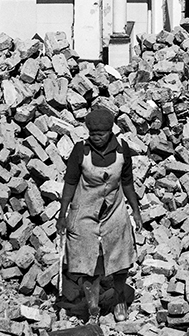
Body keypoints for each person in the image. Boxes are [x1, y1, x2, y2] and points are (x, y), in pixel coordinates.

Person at [57, 104, 143, 322]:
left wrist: (135, 210)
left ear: (111, 131)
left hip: (114, 211)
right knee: (89, 262)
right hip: (84, 211)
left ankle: (120, 299)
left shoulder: (122, 150)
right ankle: (93, 307)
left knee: (119, 258)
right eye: (92, 134)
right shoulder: (81, 150)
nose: (96, 138)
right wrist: (62, 215)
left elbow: (127, 182)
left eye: (101, 134)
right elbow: (70, 182)